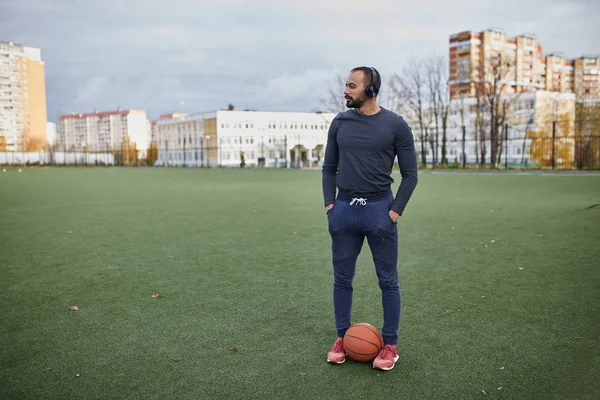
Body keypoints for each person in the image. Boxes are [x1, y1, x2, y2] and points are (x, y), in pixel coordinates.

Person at [322, 66, 418, 371]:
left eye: (351, 85)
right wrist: (330, 206)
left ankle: (389, 345)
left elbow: (411, 175)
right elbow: (328, 168)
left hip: (380, 211)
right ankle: (341, 338)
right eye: (346, 85)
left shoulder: (396, 125)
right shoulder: (340, 122)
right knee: (342, 279)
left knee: (388, 281)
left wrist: (393, 212)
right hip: (344, 211)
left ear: (370, 89)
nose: (346, 90)